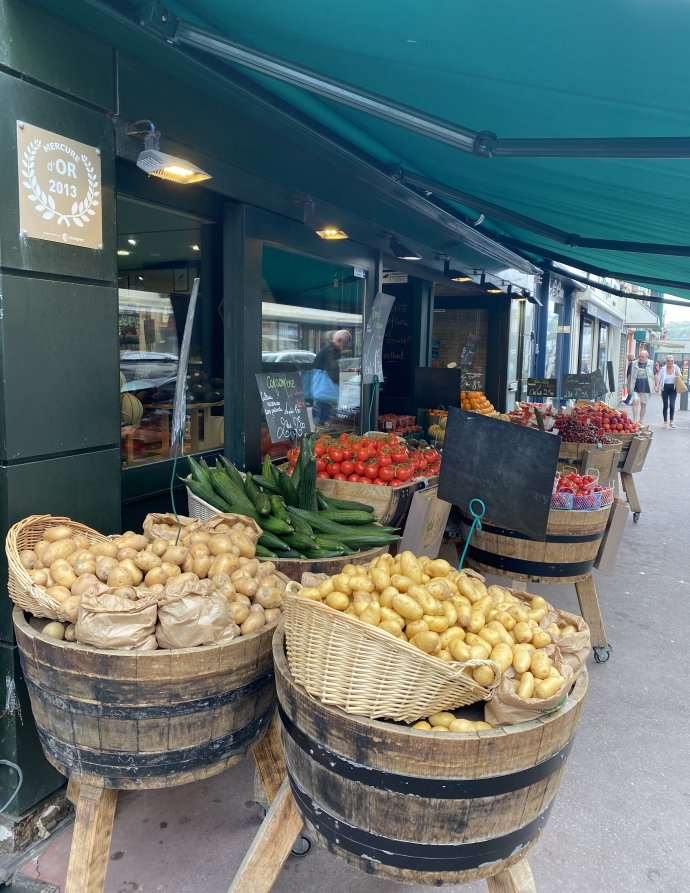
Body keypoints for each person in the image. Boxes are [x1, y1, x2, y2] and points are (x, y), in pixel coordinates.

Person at [311, 329, 352, 425]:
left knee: (324, 427)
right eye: (345, 345)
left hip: (322, 398)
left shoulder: (327, 349)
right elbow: (333, 375)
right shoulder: (331, 351)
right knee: (324, 428)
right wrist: (345, 379)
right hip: (324, 399)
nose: (345, 348)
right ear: (340, 341)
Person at [628, 349, 655, 424]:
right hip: (635, 387)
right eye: (639, 356)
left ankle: (641, 420)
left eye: (642, 357)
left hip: (646, 388)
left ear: (647, 357)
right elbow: (629, 376)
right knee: (635, 401)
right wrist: (628, 387)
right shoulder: (633, 364)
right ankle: (634, 419)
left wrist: (657, 385)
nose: (640, 358)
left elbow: (655, 375)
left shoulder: (651, 363)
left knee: (643, 404)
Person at [655, 354, 681, 428]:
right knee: (665, 405)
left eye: (672, 361)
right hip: (665, 388)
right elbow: (659, 378)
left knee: (672, 405)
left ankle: (671, 421)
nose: (670, 362)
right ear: (666, 361)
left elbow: (680, 377)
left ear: (674, 361)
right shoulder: (663, 369)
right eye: (669, 361)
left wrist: (678, 375)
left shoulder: (676, 368)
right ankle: (665, 421)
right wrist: (657, 387)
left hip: (673, 388)